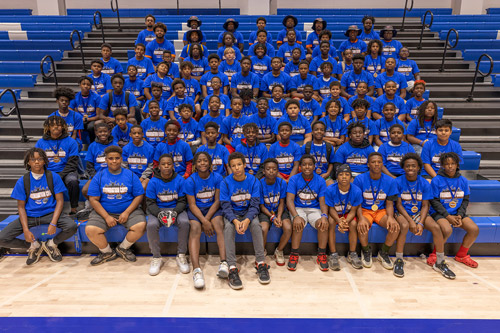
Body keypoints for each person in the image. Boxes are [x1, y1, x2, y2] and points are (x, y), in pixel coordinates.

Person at [0, 148, 77, 265]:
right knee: (2, 238)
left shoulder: (53, 177)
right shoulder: (22, 181)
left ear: (45, 161)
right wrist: (25, 230)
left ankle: (51, 244)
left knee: (72, 226)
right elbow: (21, 207)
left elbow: (60, 201)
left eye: (40, 159)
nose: (36, 162)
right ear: (28, 162)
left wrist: (53, 223)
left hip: (50, 214)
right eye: (33, 159)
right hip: (30, 216)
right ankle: (33, 246)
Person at [395, 153, 456, 279]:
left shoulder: (424, 183)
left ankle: (439, 262)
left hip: (419, 213)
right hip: (402, 213)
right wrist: (411, 222)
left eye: (413, 166)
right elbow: (399, 205)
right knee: (405, 226)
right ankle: (399, 259)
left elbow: (425, 206)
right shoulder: (398, 181)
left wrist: (421, 223)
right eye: (407, 166)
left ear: (418, 168)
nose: (410, 168)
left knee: (436, 228)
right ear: (403, 167)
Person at [85, 146, 147, 265]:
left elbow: (139, 196)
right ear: (106, 160)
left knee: (141, 225)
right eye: (111, 158)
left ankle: (122, 248)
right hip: (105, 211)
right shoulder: (99, 176)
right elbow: (93, 199)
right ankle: (107, 252)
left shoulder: (131, 175)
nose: (114, 161)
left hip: (128, 210)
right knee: (90, 230)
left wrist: (127, 212)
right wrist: (106, 216)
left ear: (121, 159)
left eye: (117, 158)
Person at [220, 152, 269, 289]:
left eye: (239, 165)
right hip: (233, 214)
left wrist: (247, 220)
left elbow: (254, 205)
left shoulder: (253, 181)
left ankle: (260, 263)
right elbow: (225, 206)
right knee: (229, 228)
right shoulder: (225, 182)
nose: (237, 168)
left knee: (256, 225)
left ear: (244, 165)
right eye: (233, 166)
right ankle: (232, 267)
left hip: (248, 213)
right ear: (230, 168)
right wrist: (235, 221)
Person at [185, 152, 228, 288]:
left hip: (212, 209)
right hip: (197, 210)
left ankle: (224, 262)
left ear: (210, 163)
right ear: (195, 164)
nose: (202, 163)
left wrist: (207, 219)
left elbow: (217, 201)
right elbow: (192, 204)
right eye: (199, 161)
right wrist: (203, 221)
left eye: (205, 161)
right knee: (195, 228)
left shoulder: (217, 177)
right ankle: (196, 270)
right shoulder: (190, 180)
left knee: (219, 225)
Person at [430, 152, 479, 269]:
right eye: (447, 164)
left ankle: (461, 255)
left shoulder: (463, 180)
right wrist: (447, 216)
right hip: (440, 213)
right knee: (446, 229)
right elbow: (434, 201)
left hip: (457, 213)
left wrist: (460, 216)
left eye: (453, 164)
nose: (450, 166)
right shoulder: (436, 180)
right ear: (442, 165)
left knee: (474, 229)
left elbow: (465, 200)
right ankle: (435, 254)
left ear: (457, 165)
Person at [353, 152, 400, 271]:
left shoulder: (390, 181)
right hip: (364, 209)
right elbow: (356, 203)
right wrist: (361, 218)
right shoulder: (359, 179)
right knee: (362, 226)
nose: (376, 164)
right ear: (368, 164)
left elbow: (389, 203)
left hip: (381, 210)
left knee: (395, 227)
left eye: (379, 162)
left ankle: (383, 252)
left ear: (382, 164)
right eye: (373, 162)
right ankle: (366, 251)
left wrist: (390, 217)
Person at [145, 153, 190, 276]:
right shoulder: (153, 182)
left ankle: (181, 255)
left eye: (169, 164)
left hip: (176, 209)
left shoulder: (180, 180)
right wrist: (160, 214)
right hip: (158, 209)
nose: (166, 166)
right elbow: (150, 202)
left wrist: (175, 212)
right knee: (151, 225)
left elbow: (182, 200)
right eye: (163, 164)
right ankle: (156, 257)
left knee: (185, 222)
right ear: (159, 166)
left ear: (173, 166)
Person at [286, 154, 329, 271]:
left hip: (314, 209)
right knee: (298, 224)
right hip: (298, 208)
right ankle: (294, 254)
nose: (307, 167)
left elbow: (323, 202)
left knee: (323, 224)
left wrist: (324, 216)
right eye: (304, 164)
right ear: (300, 166)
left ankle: (321, 254)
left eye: (310, 164)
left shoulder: (320, 180)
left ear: (314, 166)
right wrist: (295, 216)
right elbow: (289, 200)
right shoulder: (294, 179)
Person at [35, 116, 80, 215]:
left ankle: (73, 208)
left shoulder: (71, 142)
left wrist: (60, 175)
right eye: (52, 125)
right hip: (48, 171)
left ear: (63, 127)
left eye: (59, 125)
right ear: (48, 127)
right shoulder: (40, 142)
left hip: (67, 170)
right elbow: (37, 161)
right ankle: (46, 208)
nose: (56, 127)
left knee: (73, 181)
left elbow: (72, 163)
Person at [325, 164, 363, 270]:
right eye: (341, 174)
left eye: (347, 174)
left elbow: (354, 210)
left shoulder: (356, 191)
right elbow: (331, 209)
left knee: (353, 224)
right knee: (331, 222)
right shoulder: (330, 189)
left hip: (347, 214)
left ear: (351, 178)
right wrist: (339, 221)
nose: (344, 177)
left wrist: (345, 221)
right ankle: (333, 254)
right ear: (337, 178)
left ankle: (352, 253)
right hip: (335, 214)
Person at [259, 158, 292, 265]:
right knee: (263, 228)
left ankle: (279, 250)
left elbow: (282, 202)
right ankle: (262, 252)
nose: (271, 171)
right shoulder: (259, 184)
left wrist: (278, 216)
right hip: (265, 211)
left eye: (274, 169)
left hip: (279, 210)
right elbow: (261, 206)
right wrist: (272, 218)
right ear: (263, 171)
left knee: (288, 227)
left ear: (278, 171)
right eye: (268, 169)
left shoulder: (282, 183)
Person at [69, 76, 101, 144]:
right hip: (80, 119)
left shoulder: (96, 97)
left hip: (93, 119)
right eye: (83, 84)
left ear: (91, 86)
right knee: (75, 124)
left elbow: (99, 115)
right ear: (80, 85)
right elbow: (69, 110)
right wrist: (77, 118)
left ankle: (93, 144)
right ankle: (77, 143)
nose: (86, 86)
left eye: (88, 84)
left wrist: (87, 119)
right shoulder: (75, 97)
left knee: (91, 127)